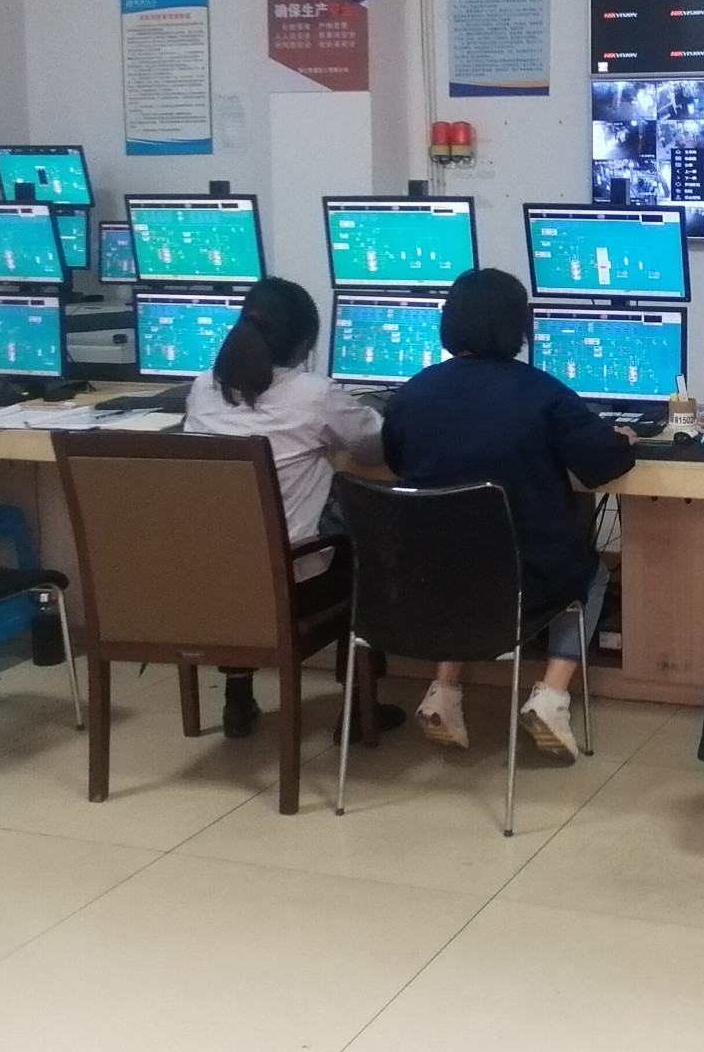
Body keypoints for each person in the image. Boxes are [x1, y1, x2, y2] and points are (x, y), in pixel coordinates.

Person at [381, 267, 636, 757]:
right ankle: (551, 697)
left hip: (425, 579)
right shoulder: (542, 393)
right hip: (524, 582)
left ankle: (443, 691)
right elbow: (600, 465)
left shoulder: (410, 394)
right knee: (593, 573)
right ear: (519, 325)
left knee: (460, 553)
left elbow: (396, 464)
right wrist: (623, 439)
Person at [184, 275, 385, 740]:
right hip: (289, 583)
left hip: (209, 579)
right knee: (368, 547)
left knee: (239, 545)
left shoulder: (202, 388)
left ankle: (238, 692)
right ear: (304, 343)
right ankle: (360, 706)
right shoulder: (315, 394)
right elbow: (374, 447)